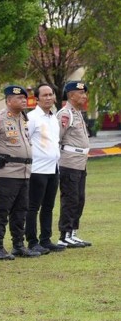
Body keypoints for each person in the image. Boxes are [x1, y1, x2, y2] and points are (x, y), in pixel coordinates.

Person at [0, 85, 40, 260]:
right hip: (6, 175)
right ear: (8, 100)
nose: (24, 101)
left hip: (23, 173)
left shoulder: (23, 119)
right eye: (19, 98)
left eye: (25, 98)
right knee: (2, 211)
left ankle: (18, 245)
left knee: (20, 211)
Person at [25, 84, 65, 254]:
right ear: (37, 98)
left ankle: (46, 239)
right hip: (37, 169)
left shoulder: (53, 118)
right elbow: (26, 139)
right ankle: (32, 242)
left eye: (51, 94)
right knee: (33, 207)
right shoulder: (32, 117)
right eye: (45, 95)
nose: (48, 98)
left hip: (53, 168)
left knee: (48, 206)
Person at [57, 81, 92, 248]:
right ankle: (64, 235)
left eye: (85, 93)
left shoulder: (78, 113)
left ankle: (73, 233)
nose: (84, 96)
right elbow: (57, 137)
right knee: (70, 199)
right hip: (69, 163)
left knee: (79, 199)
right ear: (71, 95)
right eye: (81, 93)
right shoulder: (65, 114)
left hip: (80, 163)